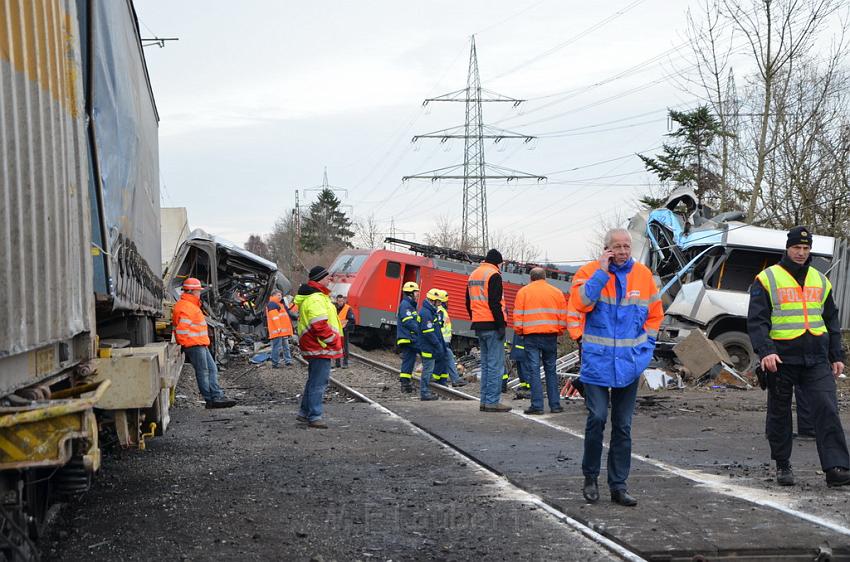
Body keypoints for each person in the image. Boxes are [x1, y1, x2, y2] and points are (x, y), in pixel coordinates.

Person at [747, 226, 850, 487]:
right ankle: (783, 466)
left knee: (827, 409)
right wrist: (766, 351)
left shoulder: (821, 280)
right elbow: (757, 321)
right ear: (787, 248)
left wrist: (836, 355)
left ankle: (836, 468)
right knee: (780, 414)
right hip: (781, 358)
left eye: (805, 248)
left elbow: (831, 320)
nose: (801, 253)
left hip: (816, 357)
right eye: (797, 248)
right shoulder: (767, 278)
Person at [568, 229, 662, 507]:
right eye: (617, 247)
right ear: (606, 249)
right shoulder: (588, 272)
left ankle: (618, 485)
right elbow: (581, 303)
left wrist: (645, 349)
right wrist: (601, 272)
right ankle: (590, 477)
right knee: (597, 418)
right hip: (597, 363)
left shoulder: (643, 276)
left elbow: (655, 315)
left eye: (626, 246)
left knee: (623, 426)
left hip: (630, 364)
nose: (622, 251)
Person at [172, 278, 236, 409]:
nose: (199, 293)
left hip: (199, 344)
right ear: (192, 291)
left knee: (211, 369)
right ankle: (211, 399)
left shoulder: (190, 305)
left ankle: (216, 396)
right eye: (198, 291)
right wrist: (185, 344)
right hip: (194, 345)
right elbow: (182, 329)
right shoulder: (187, 307)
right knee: (203, 371)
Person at [514, 267, 569, 415]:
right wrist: (559, 330)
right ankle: (555, 405)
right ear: (545, 278)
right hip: (550, 336)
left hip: (531, 337)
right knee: (551, 370)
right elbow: (563, 316)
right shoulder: (557, 292)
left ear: (531, 278)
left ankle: (537, 405)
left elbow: (518, 316)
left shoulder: (523, 292)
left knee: (534, 370)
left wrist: (520, 332)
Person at [294, 266, 343, 429]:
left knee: (313, 381)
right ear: (319, 279)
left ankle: (304, 412)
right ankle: (315, 416)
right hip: (320, 346)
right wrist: (333, 341)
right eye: (327, 277)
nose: (330, 280)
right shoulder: (316, 298)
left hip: (316, 345)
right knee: (319, 383)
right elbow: (319, 325)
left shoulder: (316, 297)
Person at [466, 249, 511, 413]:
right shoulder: (494, 275)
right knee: (495, 365)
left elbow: (468, 302)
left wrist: (476, 318)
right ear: (497, 262)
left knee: (485, 365)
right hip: (492, 326)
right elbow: (495, 303)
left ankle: (485, 401)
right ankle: (492, 402)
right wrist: (500, 325)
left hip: (479, 325)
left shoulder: (474, 275)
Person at [435, 290, 467, 388]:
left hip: (444, 341)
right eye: (446, 301)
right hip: (442, 341)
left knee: (446, 361)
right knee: (449, 357)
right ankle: (455, 380)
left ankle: (443, 381)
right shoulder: (440, 311)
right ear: (443, 301)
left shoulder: (441, 311)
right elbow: (439, 327)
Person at [418, 289, 446, 401]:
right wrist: (437, 344)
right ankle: (424, 393)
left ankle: (426, 391)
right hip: (428, 346)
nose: (439, 304)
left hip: (430, 346)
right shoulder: (426, 313)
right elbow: (428, 332)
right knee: (428, 370)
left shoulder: (429, 311)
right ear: (432, 300)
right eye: (438, 301)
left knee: (429, 369)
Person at [397, 281, 421, 393]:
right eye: (416, 292)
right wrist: (421, 331)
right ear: (410, 293)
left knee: (409, 360)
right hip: (409, 338)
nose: (418, 294)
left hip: (409, 338)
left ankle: (405, 384)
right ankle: (429, 381)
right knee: (428, 354)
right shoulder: (406, 305)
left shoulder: (409, 305)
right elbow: (408, 322)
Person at [266, 289, 293, 368]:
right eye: (278, 295)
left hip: (282, 331)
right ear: (273, 295)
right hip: (278, 331)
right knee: (277, 348)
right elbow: (274, 317)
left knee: (285, 347)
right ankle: (275, 364)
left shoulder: (279, 304)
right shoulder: (272, 304)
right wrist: (278, 328)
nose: (280, 297)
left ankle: (288, 361)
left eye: (281, 295)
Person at [334, 294, 355, 369]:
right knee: (337, 346)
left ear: (344, 301)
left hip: (344, 330)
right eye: (339, 301)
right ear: (337, 301)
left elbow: (352, 320)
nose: (340, 302)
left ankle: (345, 363)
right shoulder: (334, 308)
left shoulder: (347, 308)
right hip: (336, 330)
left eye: (342, 301)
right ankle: (337, 363)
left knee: (345, 347)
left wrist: (346, 328)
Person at [509, 332, 531, 399]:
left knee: (524, 369)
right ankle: (525, 386)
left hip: (522, 347)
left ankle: (529, 387)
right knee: (521, 369)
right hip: (520, 347)